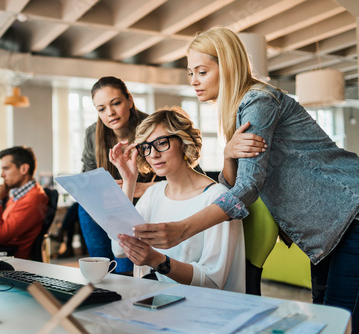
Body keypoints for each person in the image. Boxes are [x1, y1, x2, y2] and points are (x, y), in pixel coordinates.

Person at [132, 27, 359, 331]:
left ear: (226, 66)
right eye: (190, 73)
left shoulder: (258, 102)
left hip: (350, 210)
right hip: (327, 232)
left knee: (339, 320)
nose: (194, 81)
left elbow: (248, 188)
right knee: (327, 318)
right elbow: (232, 188)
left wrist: (182, 230)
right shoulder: (238, 111)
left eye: (202, 71)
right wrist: (227, 156)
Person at [109, 106, 245, 292]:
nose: (153, 154)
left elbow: (213, 282)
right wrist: (129, 182)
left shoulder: (218, 200)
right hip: (152, 303)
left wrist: (156, 260)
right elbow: (119, 250)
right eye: (146, 147)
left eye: (162, 143)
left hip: (199, 310)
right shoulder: (153, 194)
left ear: (183, 142)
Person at [79, 76, 164, 274]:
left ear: (130, 100)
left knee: (125, 270)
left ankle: (126, 279)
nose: (110, 113)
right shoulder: (93, 133)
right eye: (101, 109)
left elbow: (179, 180)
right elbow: (87, 176)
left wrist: (140, 188)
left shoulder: (153, 128)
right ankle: (101, 276)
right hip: (104, 204)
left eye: (116, 103)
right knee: (84, 211)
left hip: (139, 204)